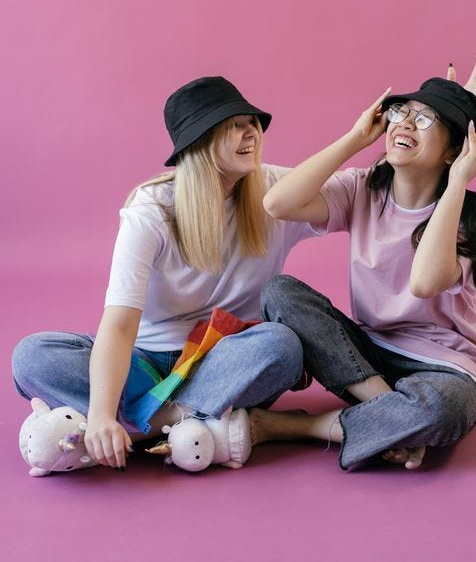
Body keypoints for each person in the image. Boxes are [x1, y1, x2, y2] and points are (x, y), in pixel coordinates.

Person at [12, 76, 318, 472]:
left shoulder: (276, 191)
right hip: (144, 364)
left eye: (253, 123)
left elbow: (355, 191)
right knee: (33, 356)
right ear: (200, 143)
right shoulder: (150, 212)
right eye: (234, 125)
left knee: (281, 345)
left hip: (221, 362)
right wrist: (104, 413)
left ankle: (133, 432)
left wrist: (365, 140)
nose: (251, 134)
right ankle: (194, 425)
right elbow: (119, 326)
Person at [250, 55, 476, 470]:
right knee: (280, 292)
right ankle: (390, 414)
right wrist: (355, 138)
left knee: (445, 408)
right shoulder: (362, 188)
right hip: (367, 357)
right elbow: (277, 202)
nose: (405, 123)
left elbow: (425, 283)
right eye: (402, 112)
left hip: (444, 367)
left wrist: (458, 183)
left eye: (426, 120)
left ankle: (292, 427)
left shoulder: (472, 217)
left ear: (452, 153)